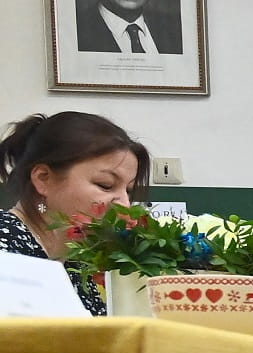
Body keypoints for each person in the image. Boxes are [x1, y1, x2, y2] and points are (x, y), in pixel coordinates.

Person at [0, 111, 149, 314]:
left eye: (128, 191)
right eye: (105, 185)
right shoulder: (5, 242)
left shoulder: (76, 265)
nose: (125, 204)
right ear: (43, 178)